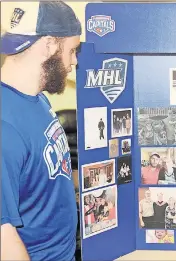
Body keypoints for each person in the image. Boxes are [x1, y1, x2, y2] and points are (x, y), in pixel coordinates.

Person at [0, 2, 82, 260]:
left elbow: (46, 174)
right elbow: (4, 237)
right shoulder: (5, 127)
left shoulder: (37, 99)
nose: (74, 62)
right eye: (72, 51)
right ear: (49, 45)